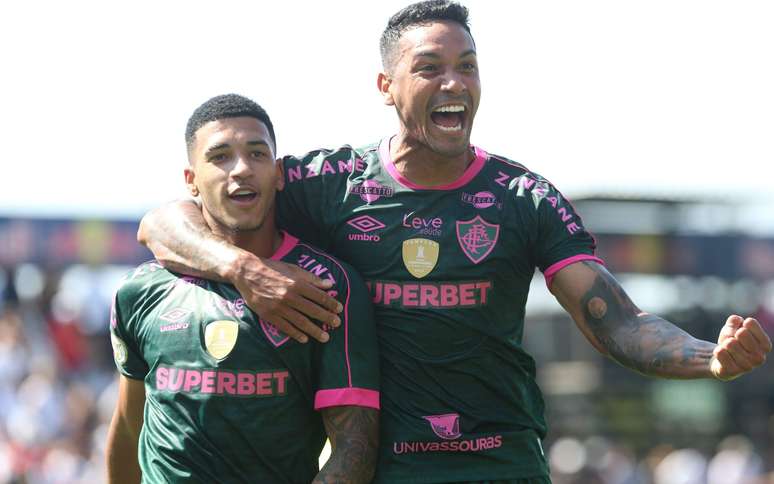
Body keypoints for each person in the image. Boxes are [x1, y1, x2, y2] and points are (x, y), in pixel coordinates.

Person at [137, 2, 772, 483]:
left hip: (502, 461)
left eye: (467, 67)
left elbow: (616, 318)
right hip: (383, 468)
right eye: (430, 68)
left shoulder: (524, 197)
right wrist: (245, 269)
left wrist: (705, 358)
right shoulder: (329, 185)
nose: (454, 83)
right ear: (385, 87)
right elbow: (165, 223)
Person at [106, 94, 380, 484]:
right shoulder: (140, 290)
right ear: (191, 181)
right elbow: (131, 428)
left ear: (279, 173)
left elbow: (355, 447)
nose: (241, 169)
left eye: (257, 154)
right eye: (219, 157)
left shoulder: (326, 284)